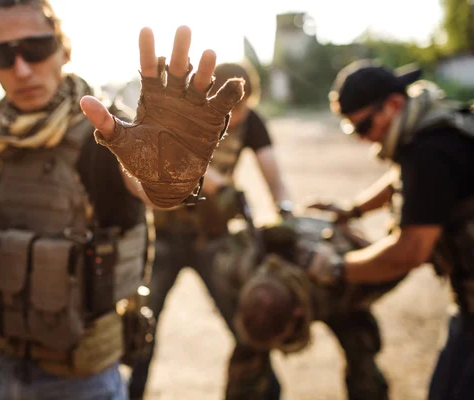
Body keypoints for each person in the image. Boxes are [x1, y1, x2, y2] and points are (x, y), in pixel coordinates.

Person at [0, 1, 244, 399]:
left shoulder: (113, 134)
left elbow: (144, 185)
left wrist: (168, 181)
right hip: (2, 367)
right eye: (2, 54)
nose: (22, 68)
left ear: (64, 48)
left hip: (86, 379)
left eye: (37, 48)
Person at [305, 59, 474, 400]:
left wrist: (338, 269)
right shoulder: (438, 125)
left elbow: (410, 250)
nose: (363, 139)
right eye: (353, 131)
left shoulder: (428, 152)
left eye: (365, 126)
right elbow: (404, 183)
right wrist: (352, 210)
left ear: (394, 104)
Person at [128, 61, 292, 400]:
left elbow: (273, 173)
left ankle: (262, 391)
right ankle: (128, 392)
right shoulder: (186, 111)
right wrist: (219, 185)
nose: (236, 117)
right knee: (142, 326)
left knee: (246, 321)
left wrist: (287, 214)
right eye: (230, 108)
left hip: (211, 239)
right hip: (164, 237)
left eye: (242, 109)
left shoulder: (251, 123)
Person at [231, 214, 402, 400]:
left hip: (339, 297)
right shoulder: (245, 261)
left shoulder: (340, 279)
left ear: (297, 313)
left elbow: (399, 259)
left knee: (363, 361)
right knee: (247, 360)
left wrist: (354, 224)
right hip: (313, 287)